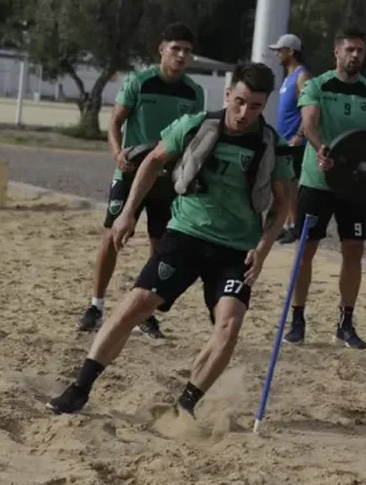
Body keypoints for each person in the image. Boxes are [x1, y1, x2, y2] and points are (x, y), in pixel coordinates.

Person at [47, 62, 293, 417]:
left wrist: (263, 250)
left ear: (265, 105)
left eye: (255, 106)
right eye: (239, 102)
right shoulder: (194, 125)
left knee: (229, 326)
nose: (244, 113)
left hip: (237, 249)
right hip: (187, 235)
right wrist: (128, 212)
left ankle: (185, 406)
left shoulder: (273, 145)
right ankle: (79, 389)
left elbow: (282, 203)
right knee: (137, 302)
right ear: (227, 94)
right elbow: (152, 161)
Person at [77, 23, 205, 339]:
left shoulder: (194, 92)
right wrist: (117, 153)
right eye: (175, 48)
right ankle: (95, 306)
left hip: (168, 179)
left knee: (160, 246)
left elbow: (195, 139)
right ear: (162, 49)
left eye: (187, 51)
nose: (181, 55)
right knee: (113, 235)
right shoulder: (139, 82)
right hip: (131, 174)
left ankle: (145, 314)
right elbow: (115, 122)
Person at [284, 27, 366, 350]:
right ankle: (297, 321)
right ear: (336, 52)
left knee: (354, 251)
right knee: (305, 251)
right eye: (350, 50)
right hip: (317, 181)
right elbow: (309, 124)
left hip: (355, 186)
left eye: (360, 50)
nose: (355, 56)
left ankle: (345, 324)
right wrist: (321, 149)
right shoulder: (317, 86)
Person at [270, 33, 312, 244]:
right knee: (283, 185)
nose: (277, 54)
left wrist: (300, 135)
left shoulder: (302, 76)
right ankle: (284, 224)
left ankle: (294, 225)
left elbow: (309, 109)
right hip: (283, 140)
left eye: (280, 50)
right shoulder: (288, 77)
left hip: (295, 142)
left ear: (291, 51)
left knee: (292, 185)